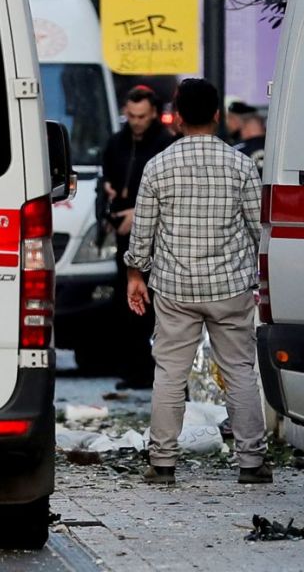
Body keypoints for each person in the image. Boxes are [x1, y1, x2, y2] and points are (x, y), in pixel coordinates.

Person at [124, 78, 271, 486]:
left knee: (170, 373)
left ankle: (164, 462)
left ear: (177, 116)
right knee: (240, 370)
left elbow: (143, 235)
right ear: (218, 116)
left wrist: (136, 274)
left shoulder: (159, 166)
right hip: (230, 289)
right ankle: (252, 462)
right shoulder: (241, 165)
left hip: (174, 289)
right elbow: (257, 229)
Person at [100, 86, 176, 390]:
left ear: (154, 113)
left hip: (158, 239)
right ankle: (135, 367)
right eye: (131, 116)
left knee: (158, 304)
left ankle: (154, 369)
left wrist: (138, 213)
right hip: (124, 234)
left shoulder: (164, 145)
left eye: (141, 116)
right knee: (128, 303)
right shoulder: (117, 143)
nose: (136, 122)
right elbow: (107, 181)